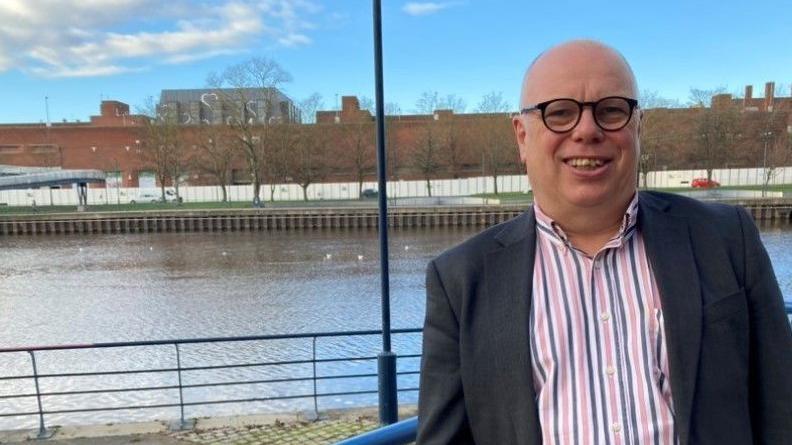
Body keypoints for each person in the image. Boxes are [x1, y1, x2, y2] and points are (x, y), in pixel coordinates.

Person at [417, 40, 792, 445]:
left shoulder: (726, 239)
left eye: (611, 110)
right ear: (521, 136)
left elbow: (781, 411)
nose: (587, 131)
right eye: (559, 113)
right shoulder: (460, 280)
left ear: (637, 127)